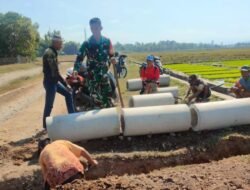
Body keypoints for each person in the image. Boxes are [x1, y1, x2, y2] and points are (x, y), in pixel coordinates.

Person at [74, 17, 116, 108]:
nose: (94, 30)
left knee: (108, 101)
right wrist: (75, 69)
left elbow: (112, 54)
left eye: (96, 28)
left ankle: (109, 119)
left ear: (101, 27)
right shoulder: (87, 43)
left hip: (104, 76)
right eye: (92, 28)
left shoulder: (107, 41)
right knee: (97, 103)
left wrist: (113, 59)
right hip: (93, 79)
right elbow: (79, 58)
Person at [42, 35, 75, 129]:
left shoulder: (53, 52)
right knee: (49, 105)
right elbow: (55, 73)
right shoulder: (49, 53)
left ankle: (72, 117)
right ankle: (45, 126)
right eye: (60, 43)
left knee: (68, 94)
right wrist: (66, 84)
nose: (62, 45)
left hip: (54, 82)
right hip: (50, 83)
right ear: (55, 43)